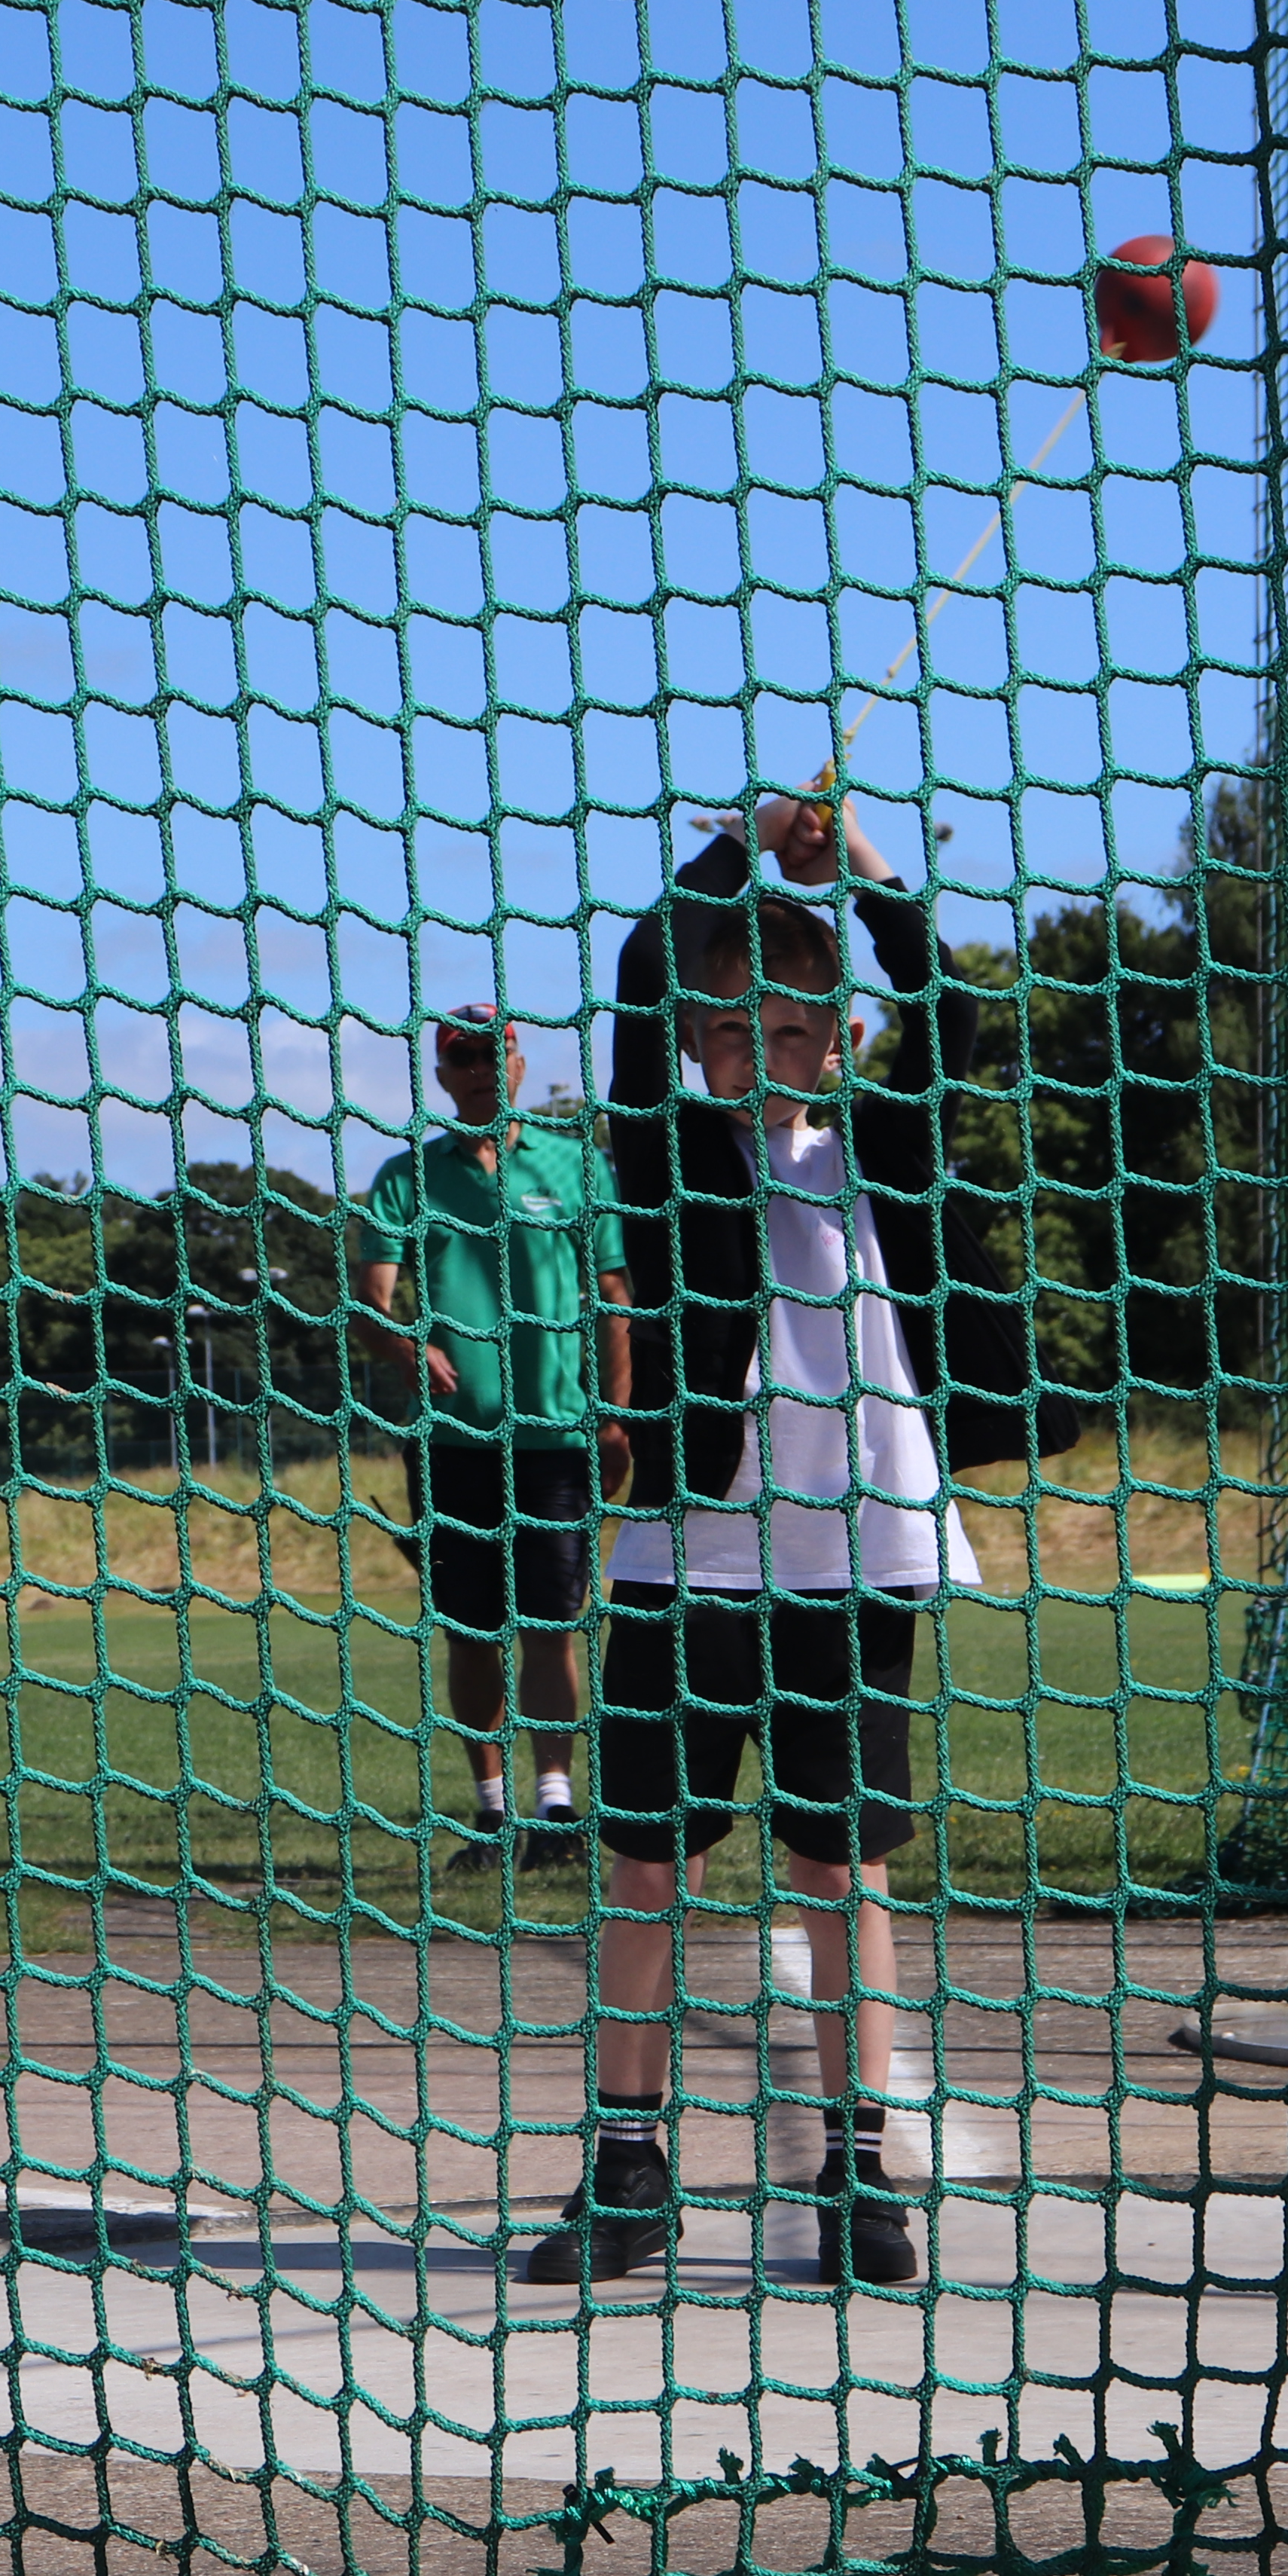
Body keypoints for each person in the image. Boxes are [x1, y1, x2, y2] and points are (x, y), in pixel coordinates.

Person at [517, 792, 1076, 2290]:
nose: (766, 1046)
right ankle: (628, 2173)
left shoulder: (886, 1143)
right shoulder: (665, 1150)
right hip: (687, 1566)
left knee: (844, 1872)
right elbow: (641, 970)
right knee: (647, 1868)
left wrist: (859, 870)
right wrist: (734, 864)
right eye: (736, 1025)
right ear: (700, 1042)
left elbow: (950, 1001)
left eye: (798, 1021)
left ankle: (859, 2172)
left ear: (838, 1026)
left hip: (851, 1566)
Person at [349, 1006, 634, 1870]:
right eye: (460, 1058)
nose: (478, 1069)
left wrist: (617, 1417)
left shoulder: (578, 1164)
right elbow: (369, 1300)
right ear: (442, 1076)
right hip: (453, 1445)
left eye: (492, 1054)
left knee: (553, 1624)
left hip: (555, 1438)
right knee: (472, 1632)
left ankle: (555, 1809)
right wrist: (407, 1345)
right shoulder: (407, 1177)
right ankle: (492, 1813)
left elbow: (618, 1296)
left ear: (517, 1064)